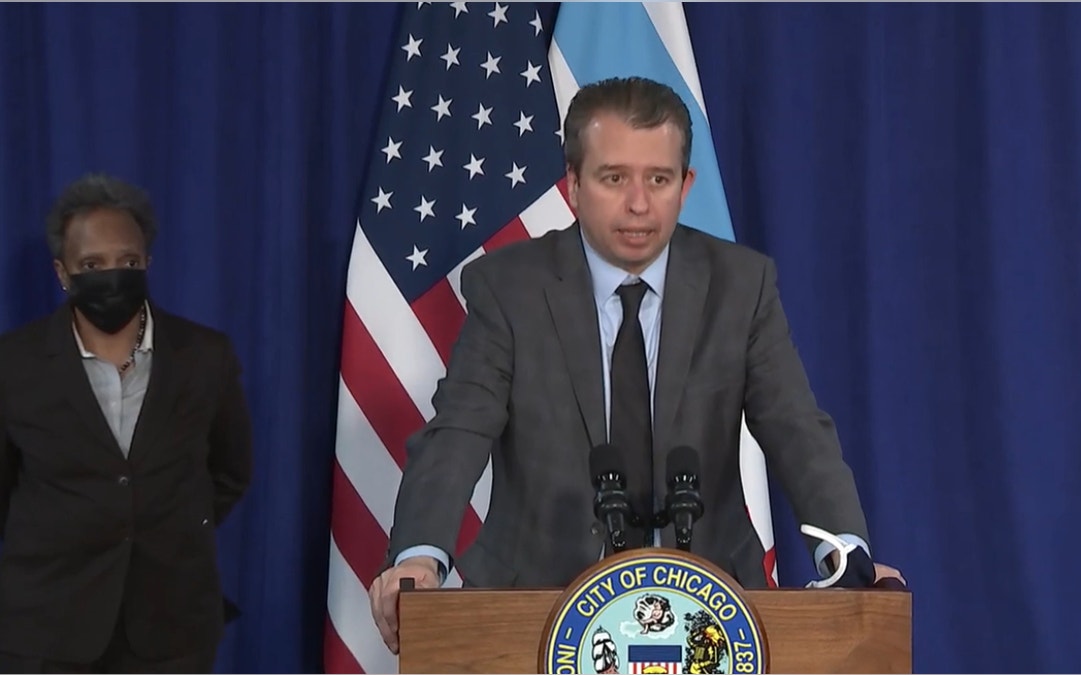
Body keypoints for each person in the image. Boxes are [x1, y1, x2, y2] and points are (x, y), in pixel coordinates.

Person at [369, 77, 904, 652]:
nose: (639, 204)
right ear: (573, 185)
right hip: (535, 604)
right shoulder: (509, 288)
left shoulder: (740, 285)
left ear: (686, 184)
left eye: (659, 179)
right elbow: (458, 431)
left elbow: (797, 428)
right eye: (614, 178)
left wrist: (847, 551)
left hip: (712, 606)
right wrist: (419, 558)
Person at [0, 173, 253, 673]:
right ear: (63, 272)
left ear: (147, 263)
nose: (112, 275)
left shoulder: (205, 356)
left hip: (172, 627)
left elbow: (229, 473)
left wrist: (164, 523)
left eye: (128, 262)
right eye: (92, 265)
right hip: (46, 629)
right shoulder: (14, 365)